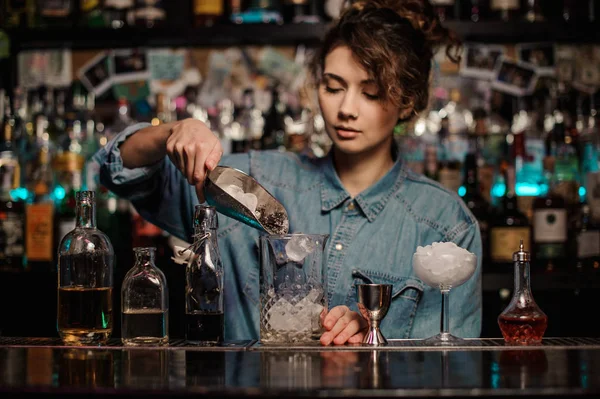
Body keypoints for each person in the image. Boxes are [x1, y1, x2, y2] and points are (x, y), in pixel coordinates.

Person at [93, 0, 482, 346]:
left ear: (407, 102)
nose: (346, 108)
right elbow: (119, 171)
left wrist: (373, 342)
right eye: (334, 87)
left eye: (371, 92)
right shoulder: (250, 180)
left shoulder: (445, 224)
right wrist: (171, 132)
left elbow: (451, 368)